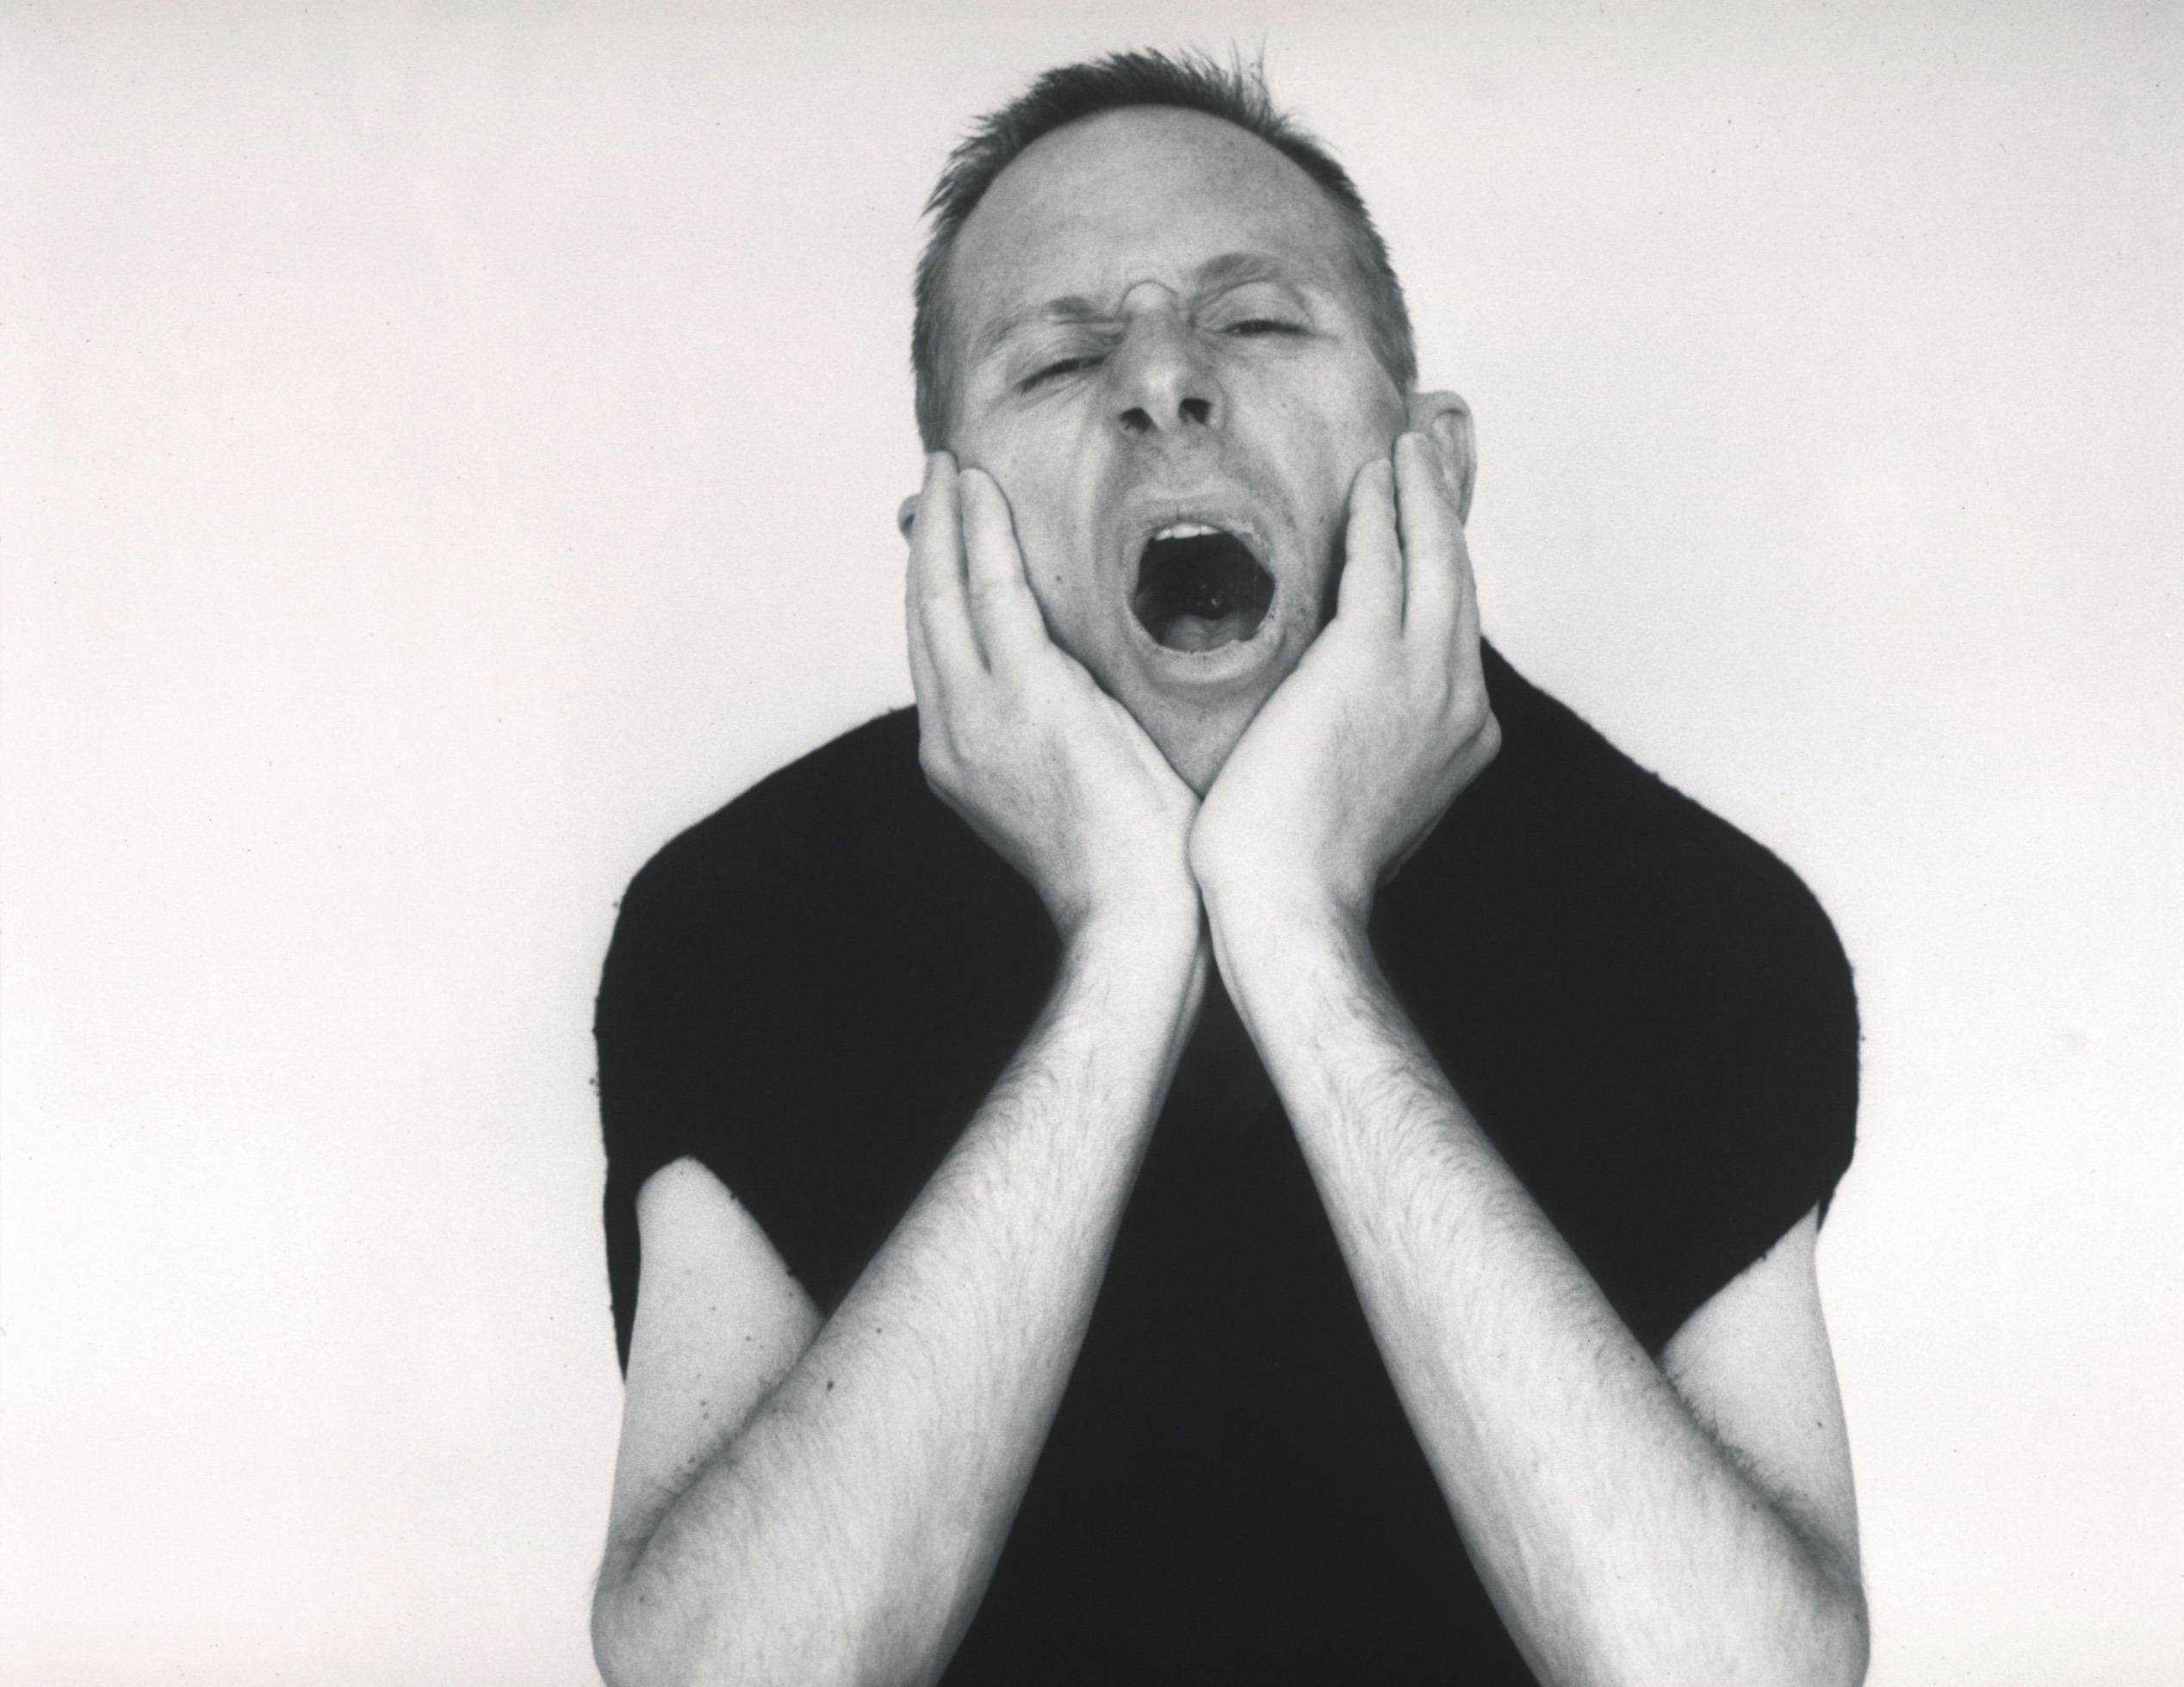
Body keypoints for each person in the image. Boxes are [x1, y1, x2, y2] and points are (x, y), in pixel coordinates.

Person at [589, 50, 1868, 1687]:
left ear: (1434, 470)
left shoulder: (1685, 921)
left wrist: (1287, 919)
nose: (1163, 383)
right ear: (942, 539)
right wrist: (1126, 941)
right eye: (1057, 360)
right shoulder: (747, 918)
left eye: (1255, 322)